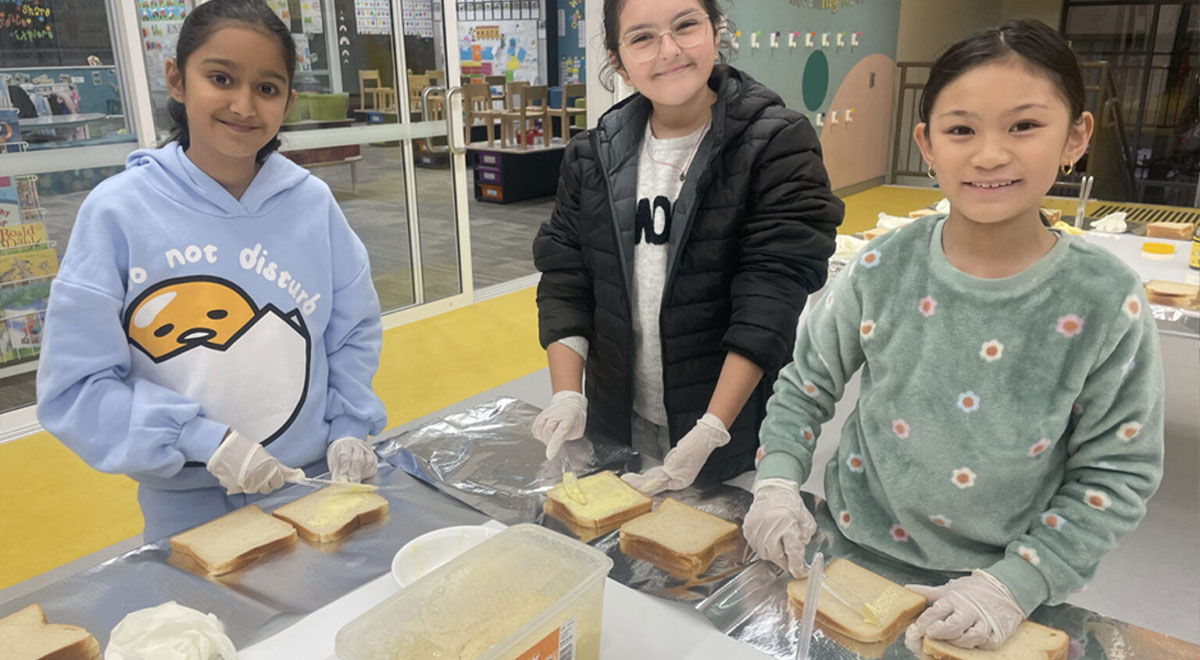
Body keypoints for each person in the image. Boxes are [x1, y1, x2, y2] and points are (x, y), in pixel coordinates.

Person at [743, 19, 1165, 652]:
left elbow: (1116, 472)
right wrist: (776, 480)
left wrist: (1017, 582)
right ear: (927, 144)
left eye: (1024, 125)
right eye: (961, 129)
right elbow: (806, 382)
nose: (989, 154)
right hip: (847, 549)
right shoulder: (884, 265)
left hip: (1000, 585)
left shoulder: (1105, 301)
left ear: (1076, 136)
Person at [36, 0, 386, 541]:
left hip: (313, 486)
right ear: (177, 79)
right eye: (220, 78)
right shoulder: (119, 212)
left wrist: (349, 428)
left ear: (288, 102)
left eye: (267, 88)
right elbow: (77, 388)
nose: (244, 105)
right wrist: (203, 440)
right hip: (189, 506)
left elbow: (352, 331)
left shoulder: (312, 206)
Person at [532, 0, 843, 495]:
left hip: (729, 423)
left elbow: (770, 297)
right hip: (618, 419)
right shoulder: (591, 154)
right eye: (642, 38)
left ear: (716, 32)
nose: (669, 51)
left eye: (685, 26)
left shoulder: (777, 144)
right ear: (617, 60)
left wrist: (712, 428)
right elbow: (566, 275)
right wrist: (568, 394)